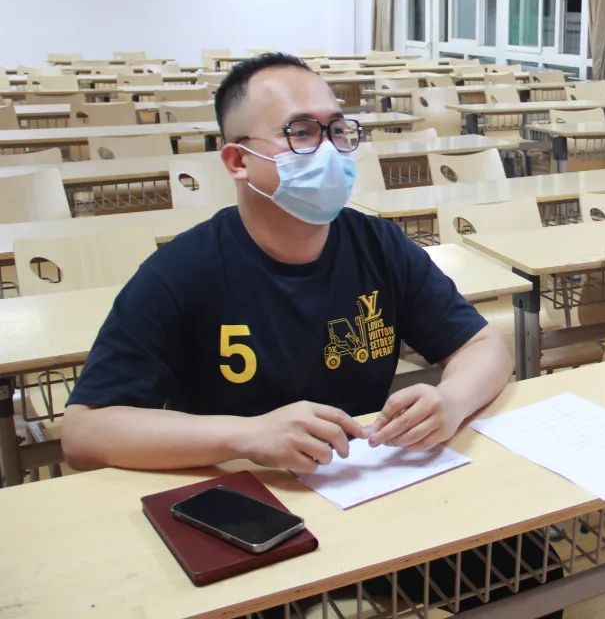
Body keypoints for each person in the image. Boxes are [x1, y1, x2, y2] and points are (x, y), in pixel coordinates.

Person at [62, 53, 559, 617]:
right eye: (300, 133)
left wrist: (450, 401)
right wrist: (248, 436)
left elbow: (482, 346)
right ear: (238, 161)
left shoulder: (379, 246)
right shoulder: (182, 272)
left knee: (531, 570)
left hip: (370, 485)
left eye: (337, 131)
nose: (328, 151)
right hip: (248, 508)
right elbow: (84, 431)